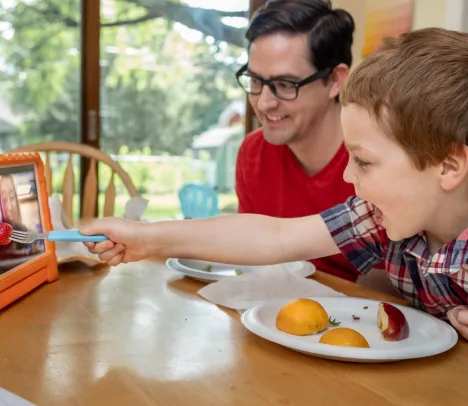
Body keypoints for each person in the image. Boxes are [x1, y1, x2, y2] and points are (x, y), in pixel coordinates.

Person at [81, 28, 468, 339]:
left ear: (448, 166)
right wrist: (145, 237)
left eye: (364, 161)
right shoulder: (378, 217)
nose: (348, 176)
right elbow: (276, 237)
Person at [234, 0, 358, 281]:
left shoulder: (375, 161)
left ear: (335, 81)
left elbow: (388, 292)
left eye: (286, 85)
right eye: (255, 80)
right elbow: (249, 256)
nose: (264, 103)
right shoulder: (254, 152)